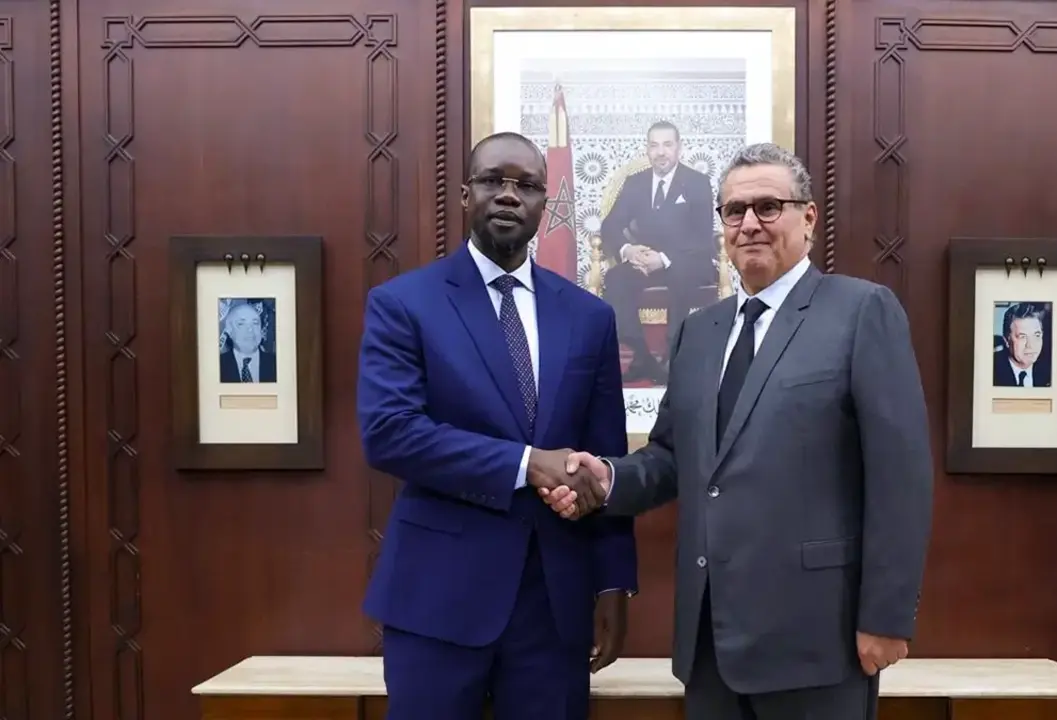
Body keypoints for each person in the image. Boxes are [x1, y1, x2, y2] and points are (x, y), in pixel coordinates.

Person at [541, 142, 933, 719]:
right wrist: (610, 477)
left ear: (808, 217)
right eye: (733, 211)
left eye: (769, 207)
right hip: (710, 644)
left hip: (818, 641)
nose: (749, 224)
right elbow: (674, 456)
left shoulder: (860, 312)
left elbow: (901, 478)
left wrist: (887, 617)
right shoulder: (700, 330)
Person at [357, 131, 638, 720]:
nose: (509, 196)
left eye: (527, 186)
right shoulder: (405, 303)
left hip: (555, 604)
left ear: (545, 202)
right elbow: (390, 432)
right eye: (493, 181)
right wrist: (524, 462)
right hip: (437, 598)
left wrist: (614, 581)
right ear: (465, 195)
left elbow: (606, 457)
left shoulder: (589, 317)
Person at [599, 120, 718, 382]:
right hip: (644, 262)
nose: (660, 152)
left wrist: (663, 259)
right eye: (654, 145)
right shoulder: (635, 183)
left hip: (687, 262)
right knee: (615, 279)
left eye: (667, 145)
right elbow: (610, 226)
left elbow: (701, 236)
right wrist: (628, 250)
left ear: (679, 148)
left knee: (680, 274)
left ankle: (673, 357)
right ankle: (642, 357)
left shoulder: (697, 183)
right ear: (647, 150)